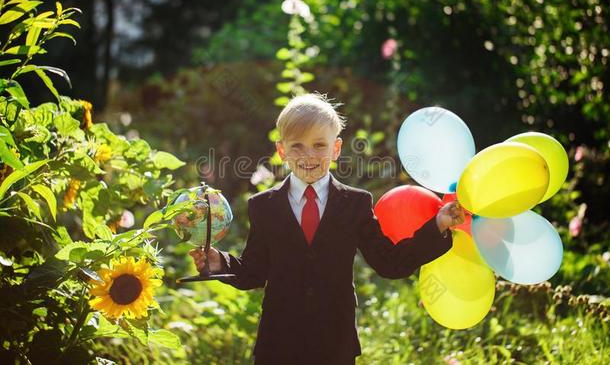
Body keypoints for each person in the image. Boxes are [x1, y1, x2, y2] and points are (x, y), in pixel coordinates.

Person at [189, 94, 465, 365]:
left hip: (335, 346)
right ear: (282, 150)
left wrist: (437, 225)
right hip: (278, 345)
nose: (308, 155)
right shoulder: (264, 206)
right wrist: (220, 262)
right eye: (297, 146)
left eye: (319, 145)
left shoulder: (356, 203)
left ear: (336, 149)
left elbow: (389, 263)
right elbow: (254, 272)